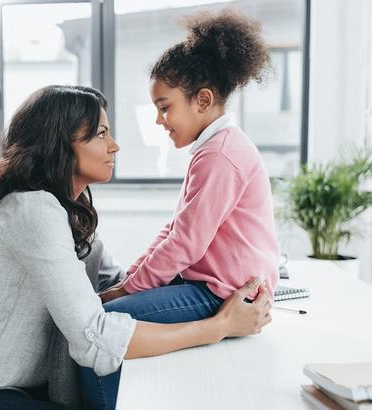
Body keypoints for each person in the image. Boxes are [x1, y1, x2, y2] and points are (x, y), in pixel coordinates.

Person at [0, 85, 272, 410]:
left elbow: (116, 286)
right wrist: (220, 325)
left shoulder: (67, 216)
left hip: (20, 387)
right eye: (100, 134)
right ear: (59, 146)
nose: (114, 145)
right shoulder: (31, 211)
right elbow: (93, 337)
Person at [89, 9, 280, 409]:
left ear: (203, 100)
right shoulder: (216, 148)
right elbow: (177, 229)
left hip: (220, 293)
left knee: (104, 328)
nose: (159, 120)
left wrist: (127, 289)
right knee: (114, 305)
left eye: (165, 107)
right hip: (210, 285)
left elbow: (185, 243)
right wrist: (133, 277)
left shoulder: (221, 154)